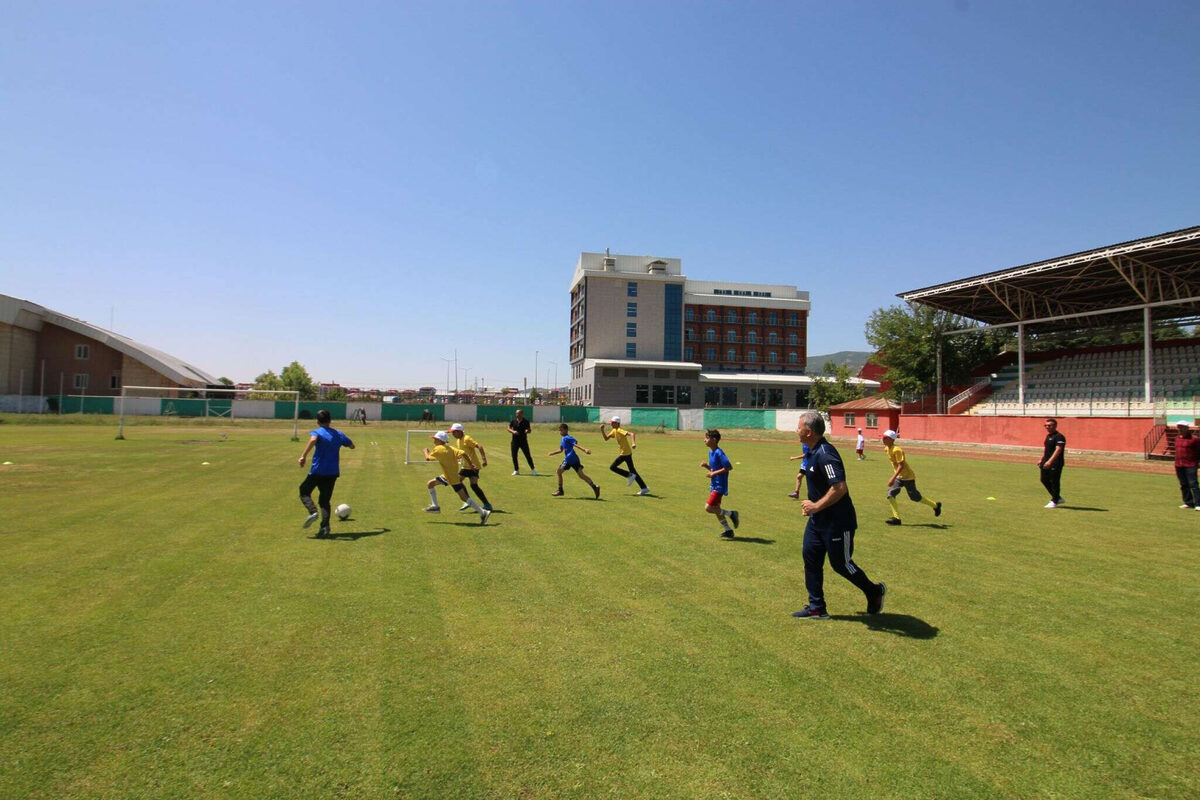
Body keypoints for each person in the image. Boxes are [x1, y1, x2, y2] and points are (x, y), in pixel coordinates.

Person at [794, 411, 886, 619]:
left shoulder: (826, 453)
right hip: (817, 521)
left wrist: (816, 506)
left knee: (841, 564)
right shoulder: (812, 451)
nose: (796, 431)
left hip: (837, 522)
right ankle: (816, 606)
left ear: (808, 432)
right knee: (811, 559)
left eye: (799, 427)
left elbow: (839, 487)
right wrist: (813, 508)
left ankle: (874, 591)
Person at [297, 409, 356, 538]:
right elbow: (352, 446)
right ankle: (325, 527)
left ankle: (313, 512)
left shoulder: (318, 432)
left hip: (317, 471)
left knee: (304, 491)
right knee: (324, 500)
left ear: (317, 421)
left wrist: (303, 456)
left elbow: (313, 440)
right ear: (330, 420)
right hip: (332, 472)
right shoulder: (338, 434)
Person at [422, 431, 491, 525]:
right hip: (452, 475)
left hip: (450, 477)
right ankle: (435, 506)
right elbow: (463, 453)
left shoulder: (438, 449)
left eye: (435, 439)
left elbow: (427, 458)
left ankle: (483, 512)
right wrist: (471, 464)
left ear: (440, 440)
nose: (434, 440)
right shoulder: (451, 448)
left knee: (464, 498)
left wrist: (426, 452)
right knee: (431, 484)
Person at [881, 430, 942, 525]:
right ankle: (897, 519)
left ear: (891, 439)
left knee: (915, 497)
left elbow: (901, 465)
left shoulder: (897, 450)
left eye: (885, 438)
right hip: (899, 478)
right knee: (890, 494)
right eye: (883, 438)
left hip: (908, 477)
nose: (883, 439)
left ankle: (935, 505)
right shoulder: (886, 449)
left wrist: (892, 478)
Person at [701, 429, 739, 538]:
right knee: (717, 509)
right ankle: (728, 530)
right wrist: (707, 466)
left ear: (714, 440)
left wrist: (713, 474)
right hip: (714, 484)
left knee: (708, 508)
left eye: (707, 438)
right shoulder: (710, 452)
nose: (704, 440)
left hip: (719, 485)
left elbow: (728, 467)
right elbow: (714, 468)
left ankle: (732, 514)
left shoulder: (719, 452)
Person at [449, 422, 492, 512]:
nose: (452, 434)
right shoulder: (458, 440)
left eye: (454, 432)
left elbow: (479, 446)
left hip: (473, 466)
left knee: (473, 486)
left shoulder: (467, 438)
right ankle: (469, 501)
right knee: (458, 481)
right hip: (465, 466)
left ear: (459, 431)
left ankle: (485, 504)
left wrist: (484, 459)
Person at [548, 423, 600, 498]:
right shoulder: (563, 439)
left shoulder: (567, 438)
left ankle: (560, 490)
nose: (560, 432)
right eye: (559, 430)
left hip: (569, 458)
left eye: (561, 430)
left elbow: (575, 444)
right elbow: (560, 450)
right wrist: (552, 453)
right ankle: (595, 487)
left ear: (566, 430)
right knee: (581, 475)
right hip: (574, 458)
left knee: (559, 472)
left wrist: (584, 449)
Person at [601, 416, 649, 495]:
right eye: (611, 422)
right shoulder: (614, 431)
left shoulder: (620, 430)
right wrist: (602, 430)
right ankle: (644, 488)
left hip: (625, 453)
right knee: (633, 471)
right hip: (626, 453)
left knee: (612, 467)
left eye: (613, 422)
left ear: (617, 423)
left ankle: (629, 475)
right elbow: (606, 438)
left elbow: (632, 434)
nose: (611, 424)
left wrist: (633, 443)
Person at [1038, 418, 1066, 508]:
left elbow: (1058, 450)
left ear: (1055, 426)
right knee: (1043, 479)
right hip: (1046, 461)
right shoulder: (1048, 436)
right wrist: (1042, 459)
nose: (1047, 427)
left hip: (1055, 463)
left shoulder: (1059, 436)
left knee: (1054, 481)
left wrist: (1050, 461)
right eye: (1045, 425)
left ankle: (1054, 501)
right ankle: (1057, 497)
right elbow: (1047, 450)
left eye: (1049, 425)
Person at [1173, 421, 1200, 510]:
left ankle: (1198, 504)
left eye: (1182, 427)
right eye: (1179, 427)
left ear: (1187, 428)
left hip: (1190, 465)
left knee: (1193, 484)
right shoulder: (1177, 438)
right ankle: (1188, 502)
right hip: (1179, 465)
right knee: (1183, 484)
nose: (1180, 429)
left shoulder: (1194, 439)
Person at [508, 408, 537, 475]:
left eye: (518, 413)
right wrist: (513, 431)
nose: (517, 414)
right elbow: (508, 428)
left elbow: (529, 430)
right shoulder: (513, 421)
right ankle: (516, 470)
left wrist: (527, 431)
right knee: (514, 456)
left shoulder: (526, 421)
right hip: (514, 441)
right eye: (516, 413)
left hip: (523, 441)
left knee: (528, 455)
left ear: (521, 414)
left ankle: (533, 470)